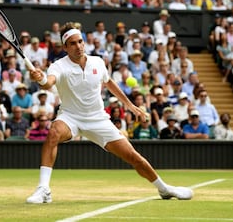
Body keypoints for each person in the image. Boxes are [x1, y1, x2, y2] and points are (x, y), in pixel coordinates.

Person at [27, 22, 193, 204]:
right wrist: (40, 78)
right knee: (54, 132)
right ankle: (43, 189)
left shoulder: (97, 62)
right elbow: (48, 83)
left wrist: (130, 105)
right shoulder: (58, 66)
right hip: (70, 117)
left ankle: (164, 189)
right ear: (65, 47)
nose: (78, 46)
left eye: (80, 41)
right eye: (72, 43)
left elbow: (109, 82)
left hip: (98, 119)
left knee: (133, 156)